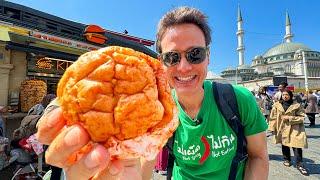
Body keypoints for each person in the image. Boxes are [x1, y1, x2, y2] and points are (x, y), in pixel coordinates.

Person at [36, 6, 269, 179]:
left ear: (208, 56)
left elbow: (258, 157)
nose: (184, 67)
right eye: (173, 57)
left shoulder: (238, 99)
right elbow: (141, 170)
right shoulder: (156, 114)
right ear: (161, 63)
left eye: (195, 54)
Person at [269, 89, 309, 176]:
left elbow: (302, 117)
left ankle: (299, 164)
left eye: (286, 94)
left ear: (290, 95)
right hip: (282, 127)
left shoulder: (297, 105)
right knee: (284, 144)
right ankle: (287, 159)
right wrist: (272, 128)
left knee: (297, 145)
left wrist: (290, 118)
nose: (285, 96)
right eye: (283, 95)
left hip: (295, 128)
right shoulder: (277, 105)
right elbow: (273, 117)